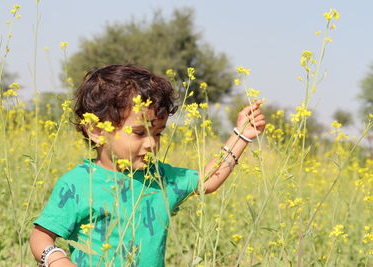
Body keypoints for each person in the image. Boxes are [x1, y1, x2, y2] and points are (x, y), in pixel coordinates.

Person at [29, 64, 265, 267]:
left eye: (158, 133)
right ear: (97, 131)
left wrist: (241, 136)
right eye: (139, 132)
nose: (151, 143)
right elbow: (41, 236)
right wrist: (57, 260)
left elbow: (209, 179)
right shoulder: (78, 183)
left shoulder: (159, 177)